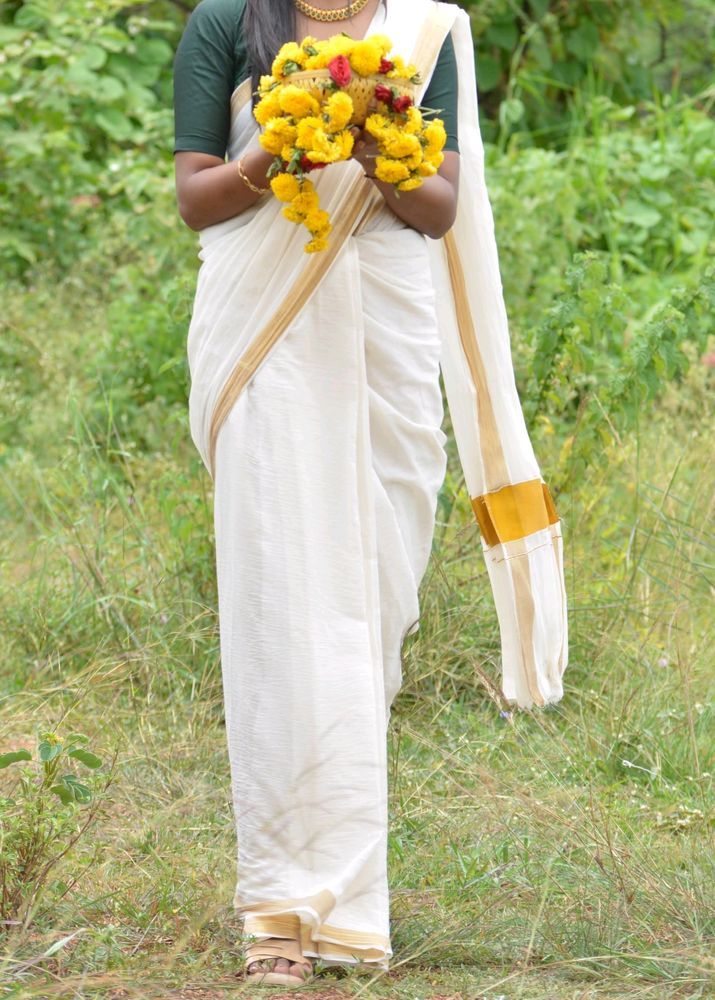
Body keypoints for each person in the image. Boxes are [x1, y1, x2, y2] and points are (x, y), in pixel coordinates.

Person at [173, 0, 568, 987]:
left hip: (386, 339)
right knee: (280, 611)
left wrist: (369, 134)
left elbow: (438, 208)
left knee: (371, 611)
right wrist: (281, 143)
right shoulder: (226, 22)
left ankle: (332, 861)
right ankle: (284, 907)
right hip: (263, 336)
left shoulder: (427, 29)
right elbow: (197, 198)